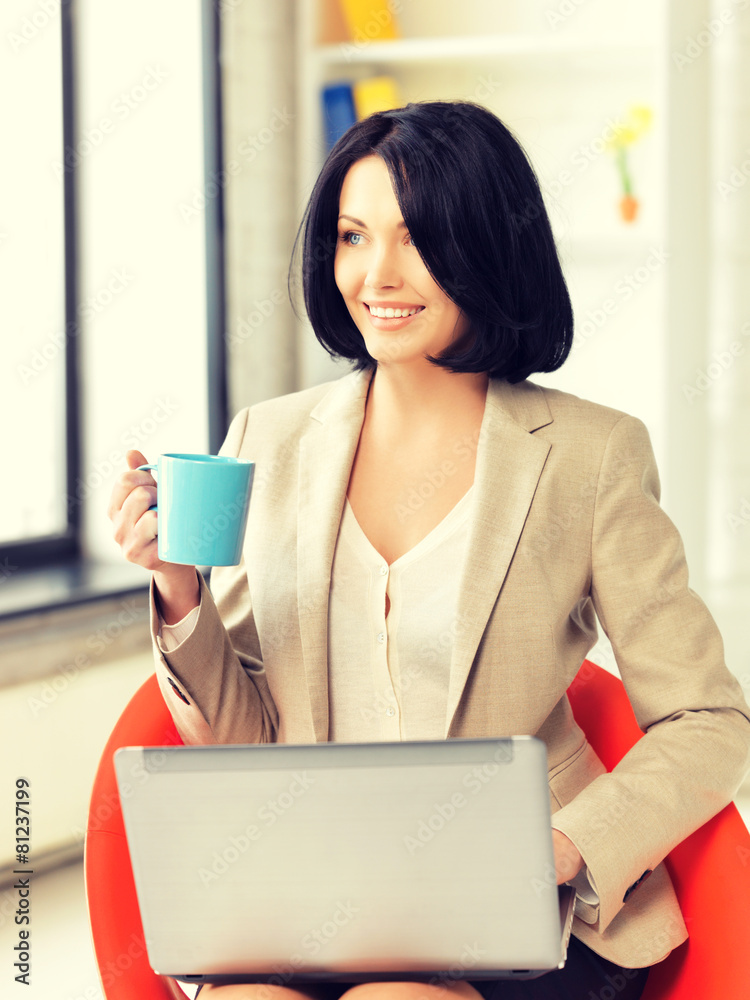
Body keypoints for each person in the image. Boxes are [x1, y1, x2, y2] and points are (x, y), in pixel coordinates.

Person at [109, 101, 750, 999]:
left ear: (486, 246)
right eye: (351, 236)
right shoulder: (269, 439)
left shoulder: (592, 455)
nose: (376, 274)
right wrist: (180, 591)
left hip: (527, 914)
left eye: (414, 239)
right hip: (312, 900)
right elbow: (246, 740)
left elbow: (709, 721)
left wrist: (562, 848)